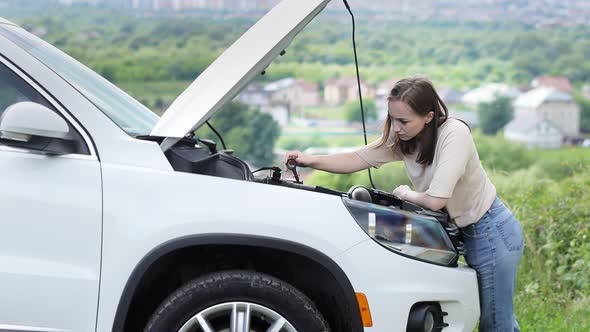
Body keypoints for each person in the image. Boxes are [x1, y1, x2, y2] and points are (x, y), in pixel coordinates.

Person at [284, 76, 524, 331]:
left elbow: (436, 200)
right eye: (392, 119)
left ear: (429, 116)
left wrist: (405, 194)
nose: (396, 128)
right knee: (496, 321)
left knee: (496, 323)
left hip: (492, 232)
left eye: (403, 121)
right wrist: (310, 160)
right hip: (465, 234)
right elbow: (357, 158)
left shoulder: (454, 134)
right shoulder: (408, 140)